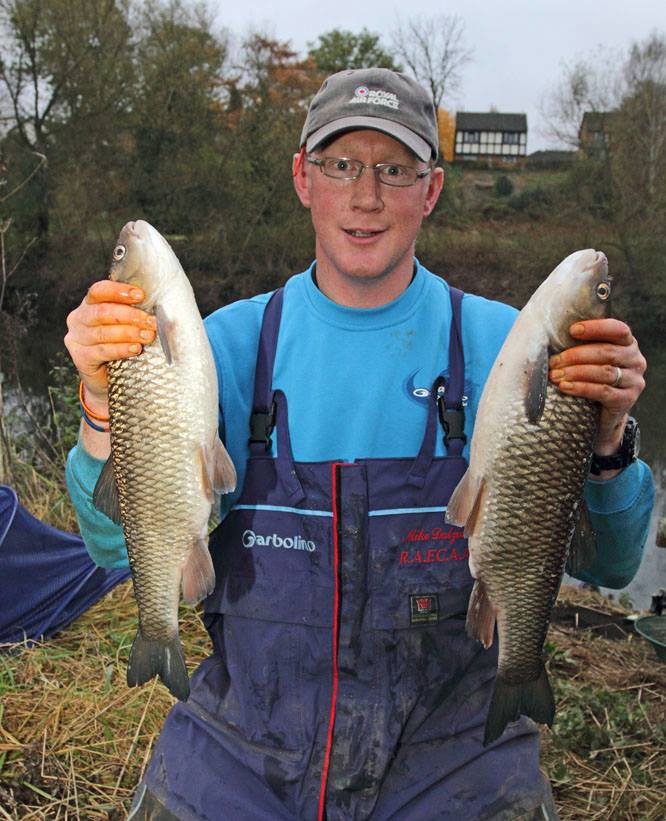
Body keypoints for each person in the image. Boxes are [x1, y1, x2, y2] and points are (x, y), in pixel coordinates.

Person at [64, 68, 654, 820]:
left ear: (431, 189)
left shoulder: (508, 350)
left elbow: (609, 565)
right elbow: (118, 548)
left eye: (395, 169)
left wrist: (605, 439)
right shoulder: (224, 349)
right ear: (303, 178)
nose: (366, 195)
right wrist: (100, 400)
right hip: (243, 754)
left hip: (454, 758)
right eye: (342, 165)